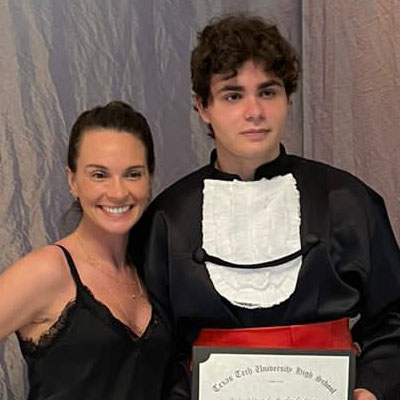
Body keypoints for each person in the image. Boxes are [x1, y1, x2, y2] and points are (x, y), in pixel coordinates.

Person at [132, 15, 400, 400]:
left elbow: (394, 316)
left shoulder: (348, 201)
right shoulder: (167, 220)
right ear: (202, 107)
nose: (254, 111)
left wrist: (369, 388)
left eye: (268, 92)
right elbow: (155, 348)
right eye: (233, 94)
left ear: (288, 98)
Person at [0, 101, 172, 399]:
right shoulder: (47, 271)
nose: (118, 192)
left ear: (149, 179)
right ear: (72, 181)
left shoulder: (150, 271)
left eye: (133, 174)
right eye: (99, 175)